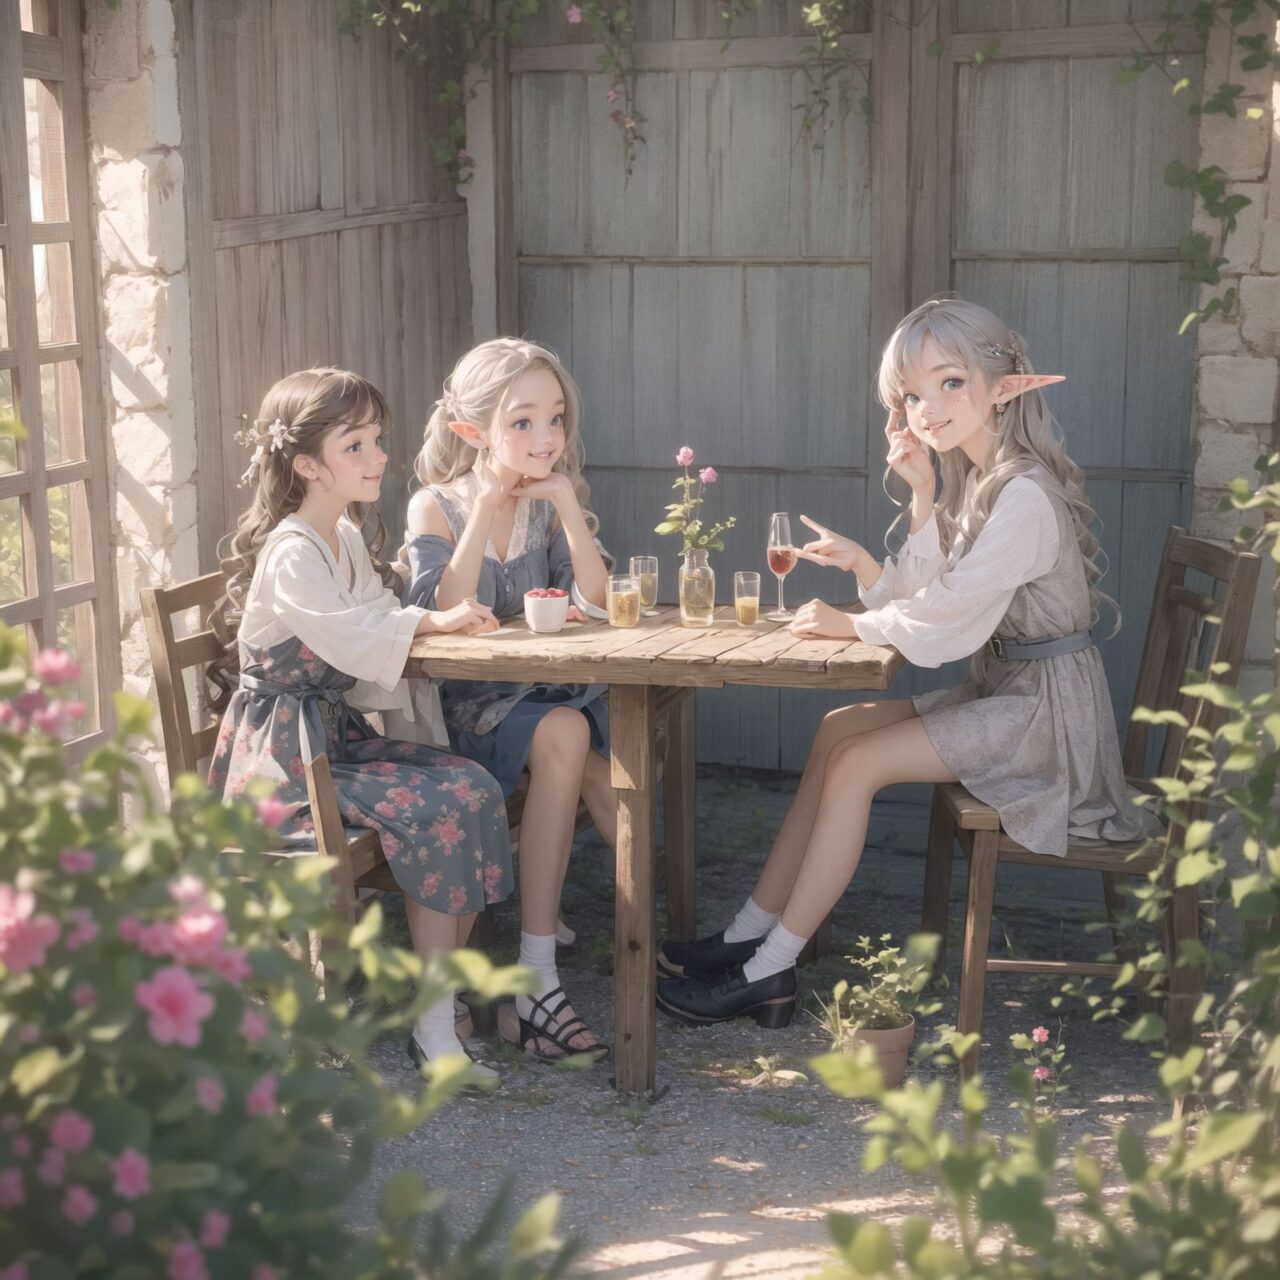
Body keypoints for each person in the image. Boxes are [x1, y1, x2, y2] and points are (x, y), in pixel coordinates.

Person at [656, 297, 1154, 1029]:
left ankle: (769, 972)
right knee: (838, 730)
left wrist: (854, 625)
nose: (929, 408)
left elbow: (945, 615)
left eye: (950, 383)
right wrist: (920, 495)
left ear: (1005, 386)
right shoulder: (983, 481)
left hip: (1047, 721)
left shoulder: (1021, 496)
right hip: (1009, 693)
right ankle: (745, 938)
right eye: (913, 396)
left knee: (858, 763)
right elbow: (934, 591)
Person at [208, 367, 514, 1086]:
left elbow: (375, 610)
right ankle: (437, 1031)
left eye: (377, 440)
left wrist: (425, 618)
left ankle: (436, 1014)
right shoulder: (291, 552)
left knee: (473, 785)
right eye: (356, 446)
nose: (378, 457)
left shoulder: (339, 533)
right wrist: (431, 618)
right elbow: (354, 636)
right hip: (281, 763)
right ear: (307, 464)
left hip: (328, 740)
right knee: (441, 806)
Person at [403, 338, 614, 1063]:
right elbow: (446, 607)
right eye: (522, 422)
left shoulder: (551, 502)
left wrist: (566, 504)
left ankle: (543, 966)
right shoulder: (434, 505)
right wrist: (489, 500)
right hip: (459, 713)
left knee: (576, 735)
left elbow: (595, 601)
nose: (547, 437)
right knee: (569, 737)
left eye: (555, 419)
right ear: (473, 432)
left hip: (540, 695)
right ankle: (540, 973)